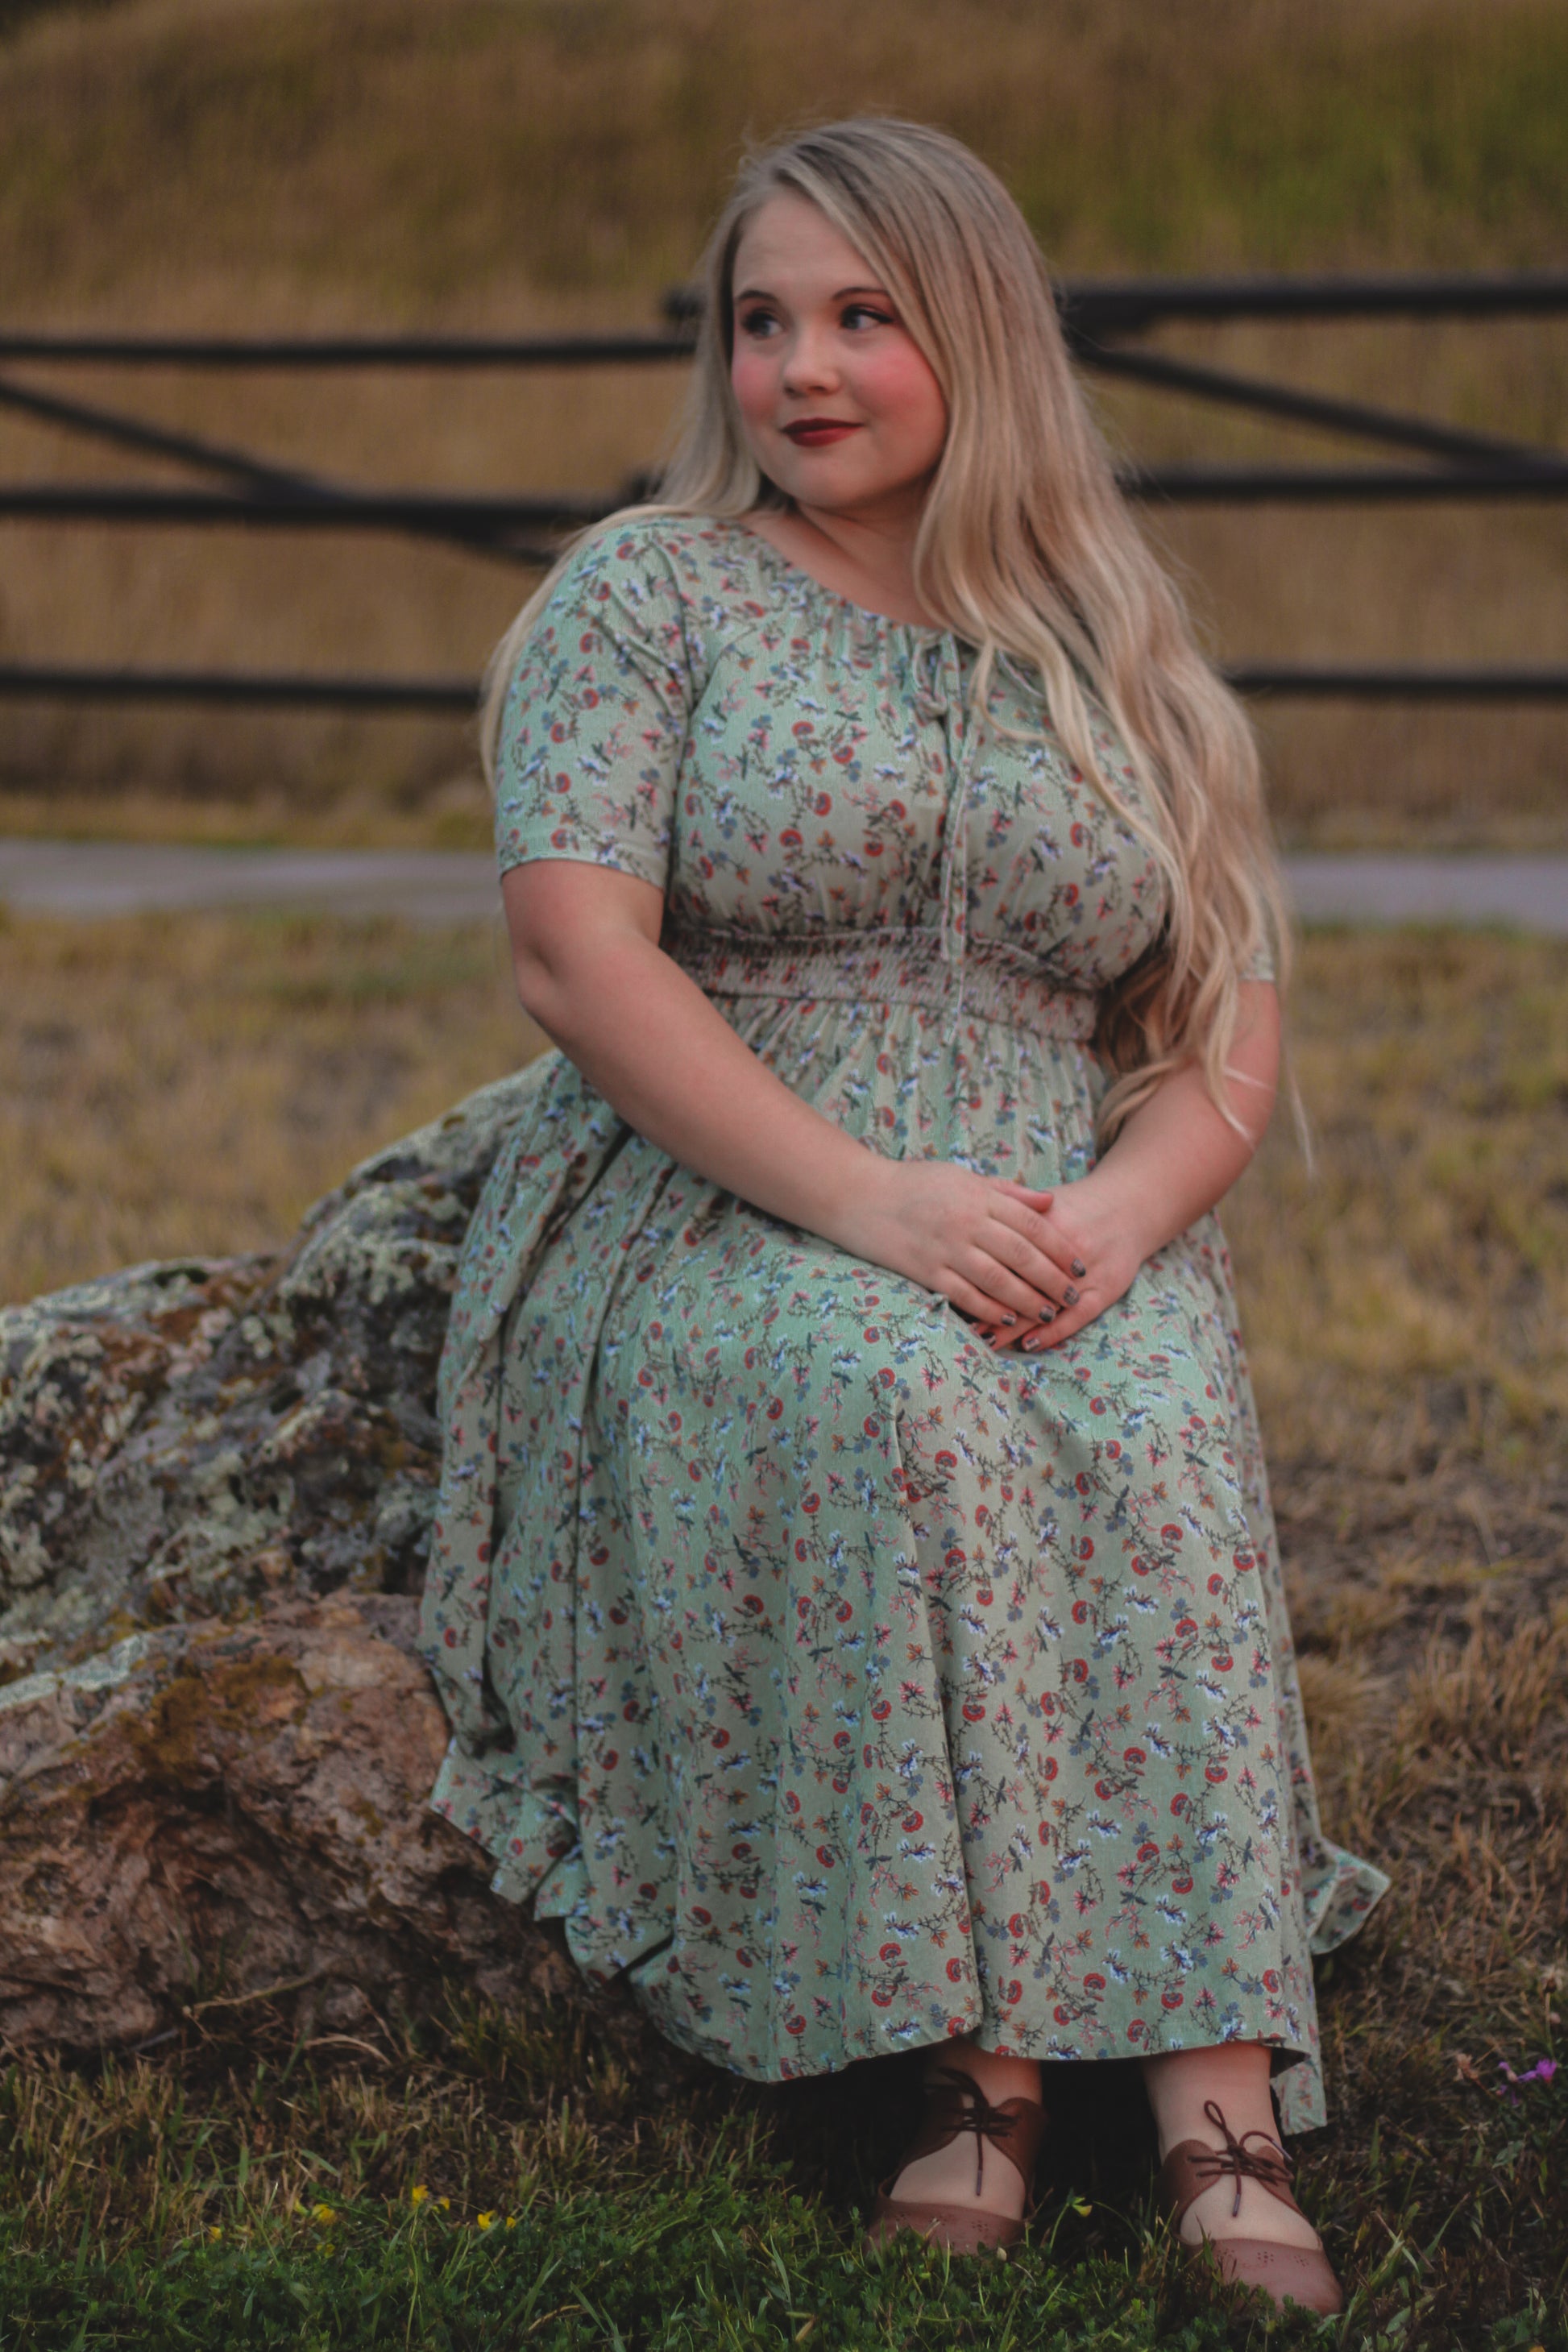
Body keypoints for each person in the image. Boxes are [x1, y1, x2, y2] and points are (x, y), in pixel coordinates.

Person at [419, 116, 1388, 2315]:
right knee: (899, 1392)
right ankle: (982, 2075)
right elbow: (582, 958)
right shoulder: (642, 598)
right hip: (726, 1197)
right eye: (760, 322)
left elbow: (1222, 1019)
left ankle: (1213, 2098)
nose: (801, 369)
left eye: (862, 316)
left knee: (1140, 1412)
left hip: (1060, 1201)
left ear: (979, 339)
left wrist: (1122, 1222)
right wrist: (873, 1204)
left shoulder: (1106, 644)